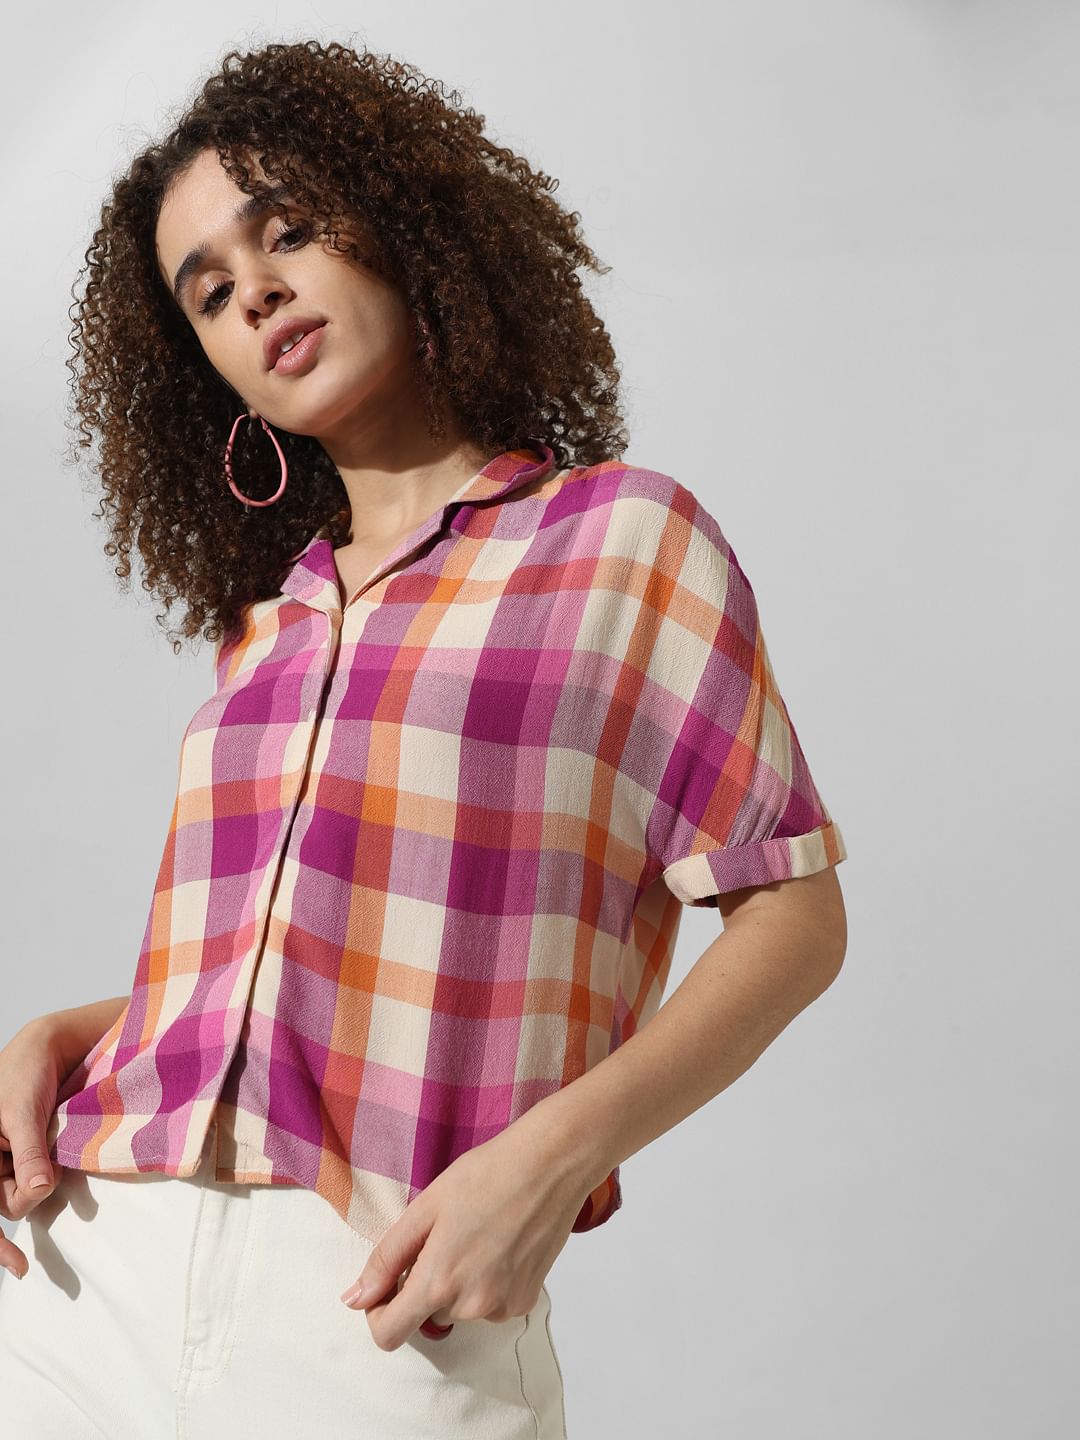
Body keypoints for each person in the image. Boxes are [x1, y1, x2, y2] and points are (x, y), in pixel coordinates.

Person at [0, 36, 849, 1439]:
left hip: (383, 1304)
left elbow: (796, 917)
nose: (254, 289)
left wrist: (551, 1161)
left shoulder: (622, 543)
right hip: (86, 1287)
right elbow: (283, 972)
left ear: (403, 229)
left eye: (287, 230)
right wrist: (68, 1033)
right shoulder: (270, 625)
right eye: (208, 290)